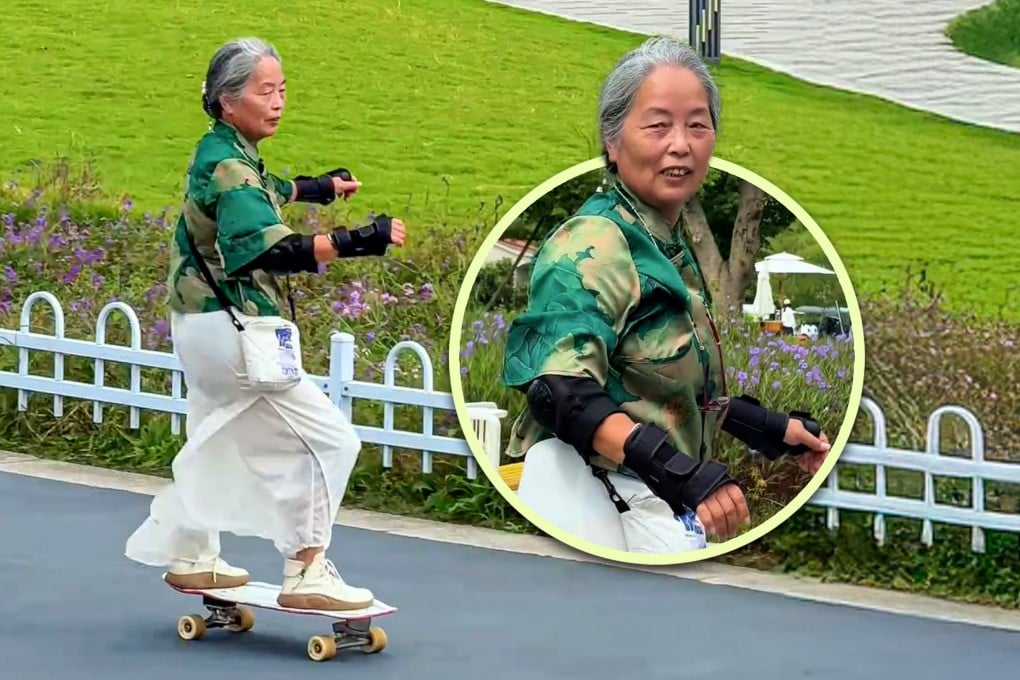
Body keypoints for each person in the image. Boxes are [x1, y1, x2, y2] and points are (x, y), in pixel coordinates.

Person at [500, 36, 830, 554]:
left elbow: (668, 394)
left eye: (698, 125)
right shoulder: (595, 240)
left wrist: (774, 429)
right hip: (587, 491)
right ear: (612, 141)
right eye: (658, 125)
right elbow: (560, 391)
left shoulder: (663, 241)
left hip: (643, 497)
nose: (682, 144)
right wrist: (682, 473)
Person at [124, 37, 406, 611]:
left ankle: (192, 552)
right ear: (228, 101)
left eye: (282, 90)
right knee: (329, 440)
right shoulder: (229, 164)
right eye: (264, 91)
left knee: (214, 437)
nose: (277, 102)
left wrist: (319, 189)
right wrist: (359, 240)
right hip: (235, 333)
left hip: (198, 325)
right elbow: (263, 249)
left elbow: (265, 189)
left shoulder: (222, 152)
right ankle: (306, 570)